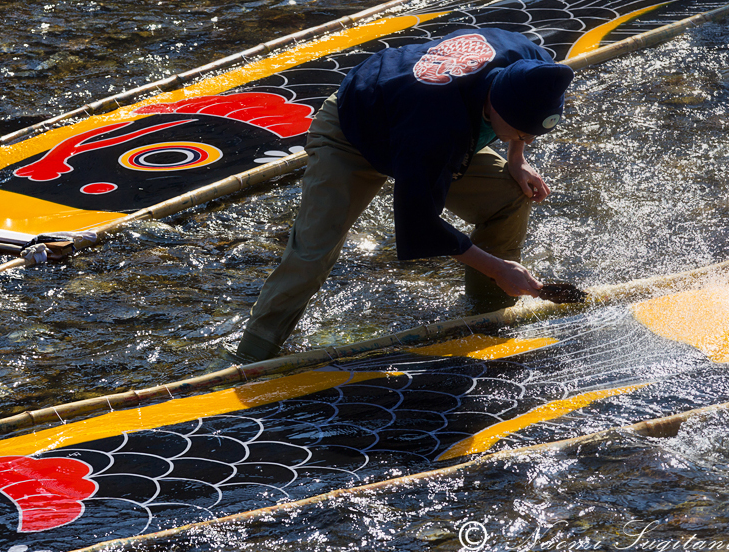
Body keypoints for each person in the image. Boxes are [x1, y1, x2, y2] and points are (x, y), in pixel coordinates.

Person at [233, 27, 575, 364]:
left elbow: (528, 108)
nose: (527, 139)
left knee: (508, 196)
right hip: (354, 132)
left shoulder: (532, 64)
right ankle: (251, 356)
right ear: (496, 104)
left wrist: (517, 159)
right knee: (313, 251)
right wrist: (499, 268)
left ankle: (489, 314)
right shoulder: (436, 127)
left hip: (426, 125)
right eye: (520, 132)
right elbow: (418, 224)